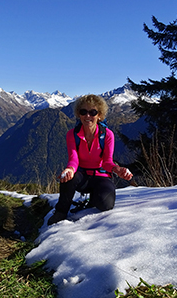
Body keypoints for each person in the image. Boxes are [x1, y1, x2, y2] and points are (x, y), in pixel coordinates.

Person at [48, 94, 133, 225]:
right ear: (79, 114)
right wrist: (70, 169)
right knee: (68, 178)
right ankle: (61, 212)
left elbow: (107, 161)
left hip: (101, 176)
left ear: (99, 115)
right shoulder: (72, 134)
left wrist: (118, 169)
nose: (88, 116)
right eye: (83, 112)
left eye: (93, 112)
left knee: (106, 204)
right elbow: (73, 159)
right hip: (81, 176)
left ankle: (93, 200)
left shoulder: (107, 135)